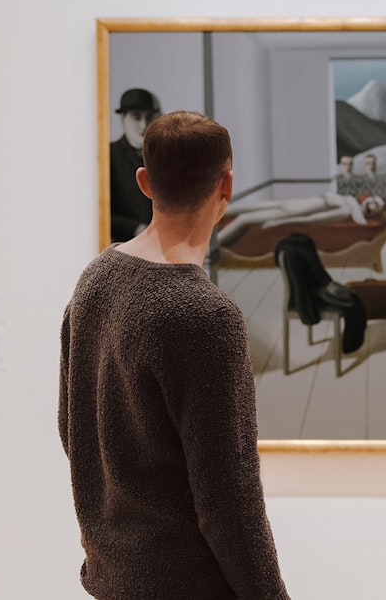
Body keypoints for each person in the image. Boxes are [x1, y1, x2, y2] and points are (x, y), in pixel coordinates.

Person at [60, 111, 290, 599]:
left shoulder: (95, 279)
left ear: (144, 182)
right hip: (185, 585)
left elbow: (72, 428)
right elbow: (229, 499)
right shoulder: (206, 317)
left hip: (113, 578)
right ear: (226, 184)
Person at [218, 192, 386, 245]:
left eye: (375, 207)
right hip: (289, 203)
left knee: (244, 219)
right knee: (238, 209)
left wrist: (279, 222)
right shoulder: (348, 200)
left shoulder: (345, 210)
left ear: (373, 213)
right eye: (372, 200)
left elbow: (312, 219)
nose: (370, 204)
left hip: (290, 213)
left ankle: (212, 248)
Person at [109, 88, 161, 243]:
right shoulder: (108, 155)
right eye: (136, 117)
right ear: (123, 119)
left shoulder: (164, 156)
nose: (144, 125)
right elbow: (100, 212)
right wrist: (136, 227)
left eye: (149, 117)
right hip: (124, 248)